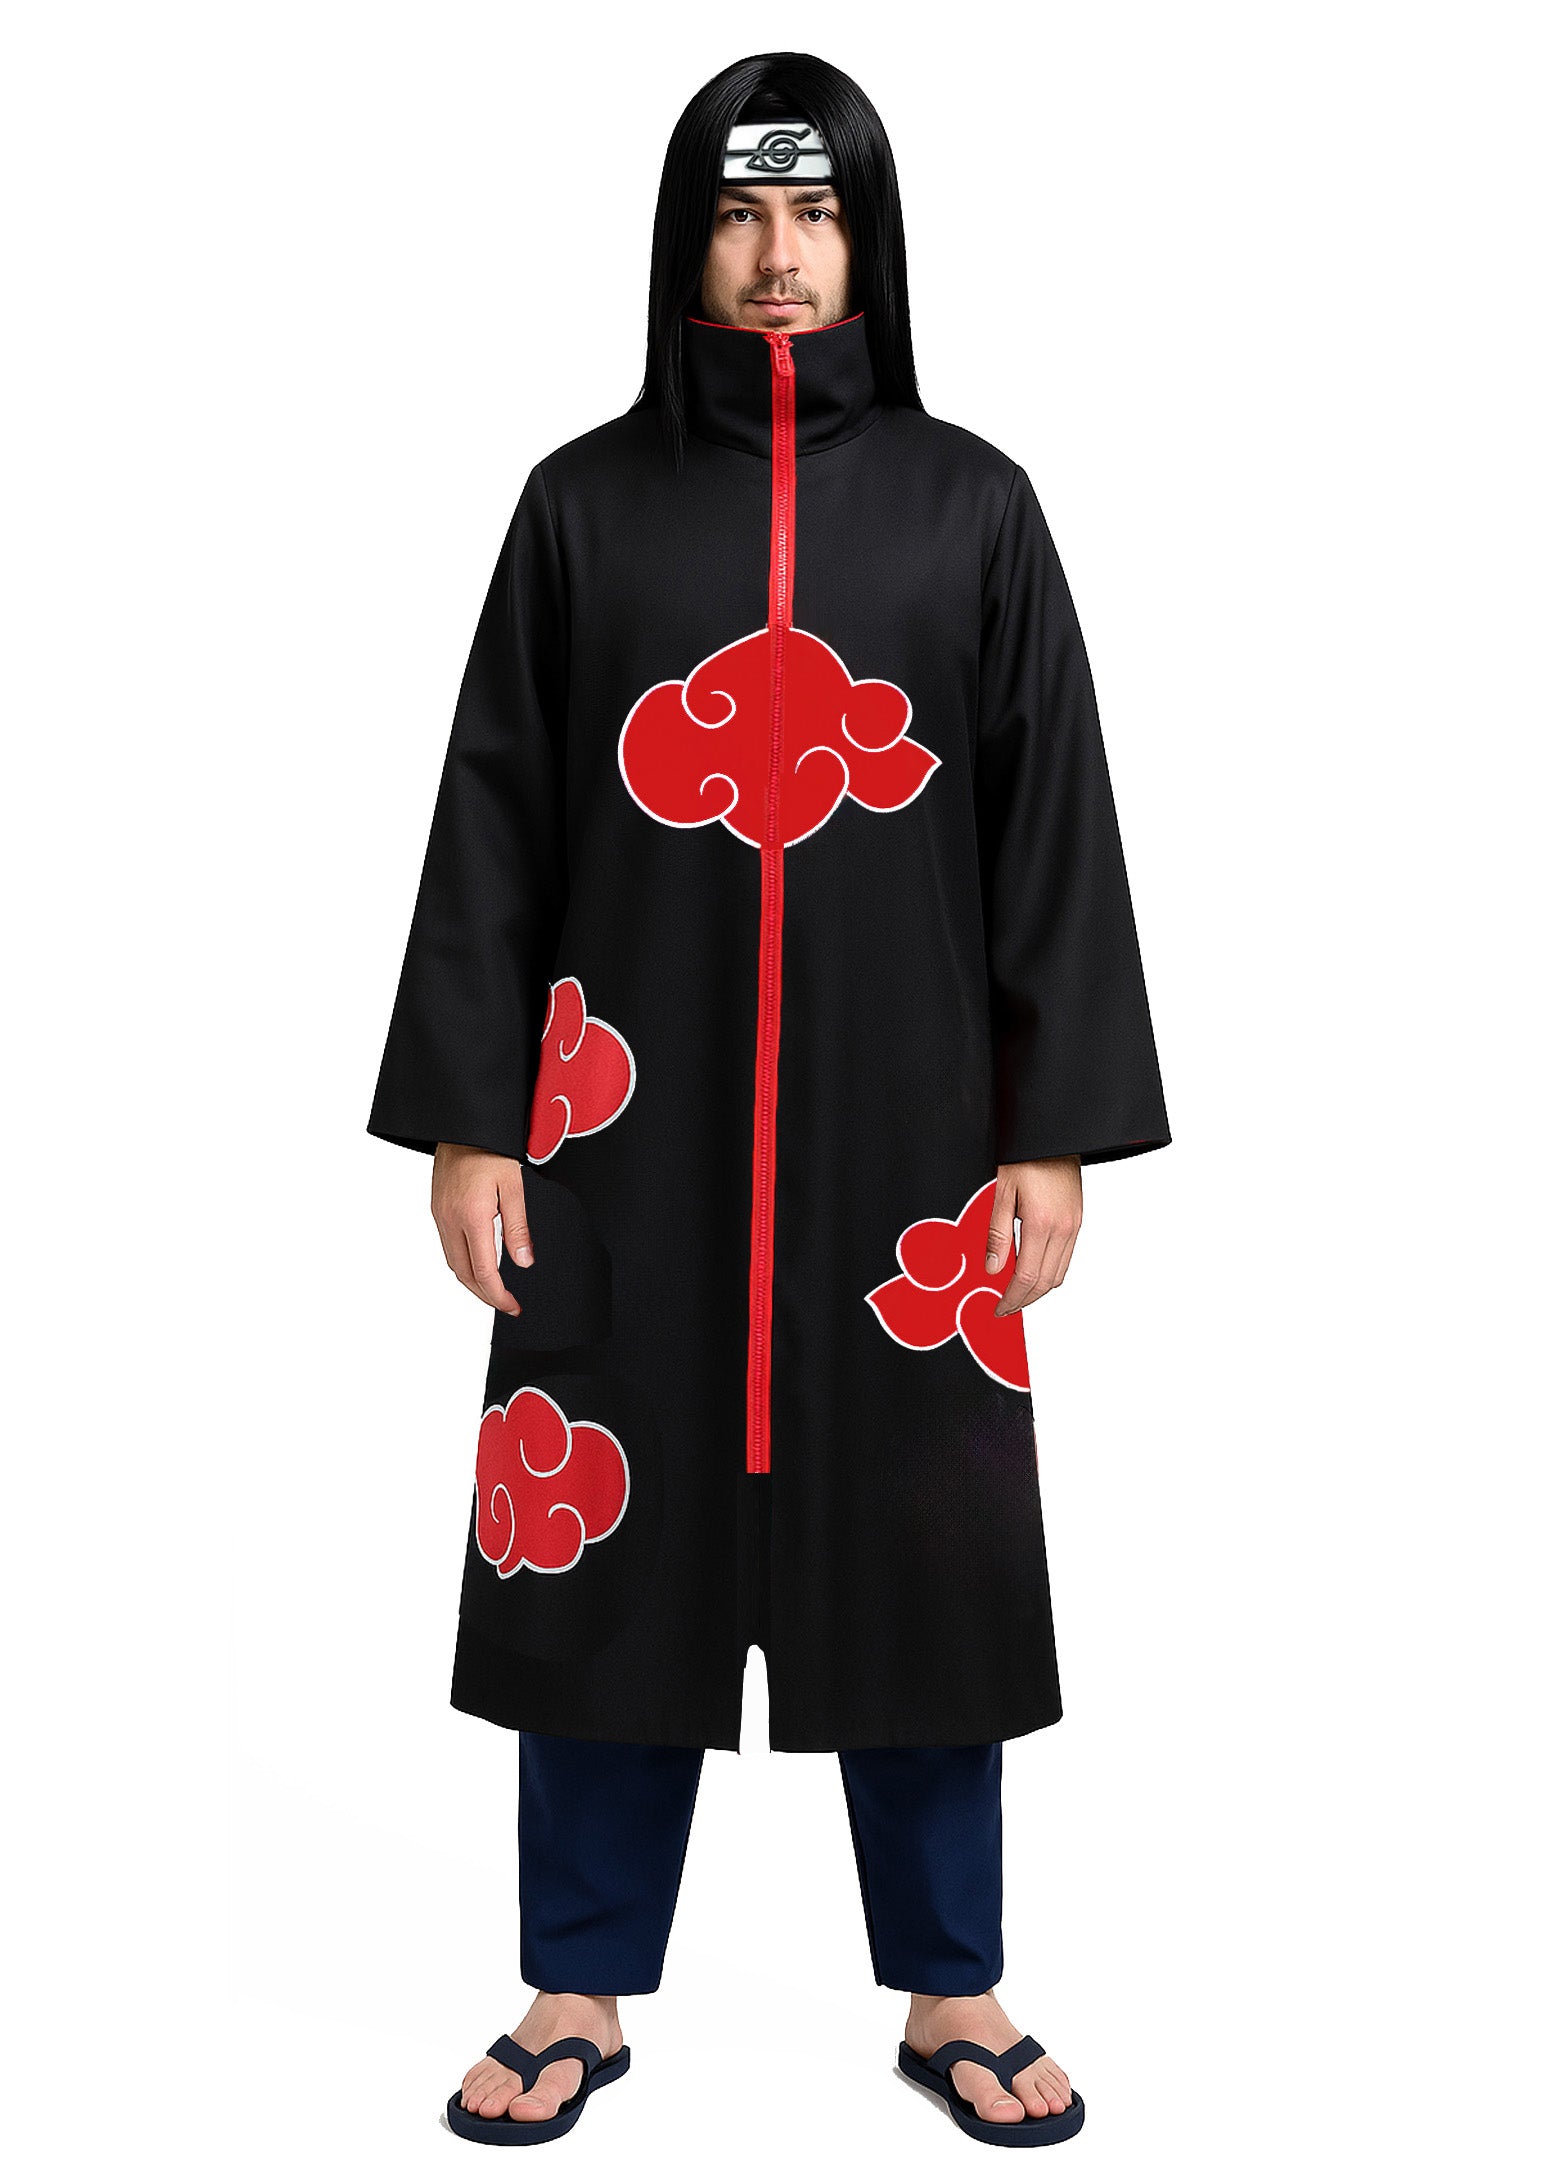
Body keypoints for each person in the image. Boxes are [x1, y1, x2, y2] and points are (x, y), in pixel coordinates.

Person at [369, 49, 1168, 2149]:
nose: (779, 255)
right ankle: (575, 1984)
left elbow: (1049, 830)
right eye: (739, 214)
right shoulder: (581, 507)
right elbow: (496, 821)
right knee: (594, 1546)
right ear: (685, 241)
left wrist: (1049, 1125)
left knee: (927, 1542)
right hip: (616, 1130)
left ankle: (952, 1985)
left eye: (815, 215)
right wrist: (470, 1115)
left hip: (908, 1152)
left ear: (871, 238)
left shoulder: (974, 508)